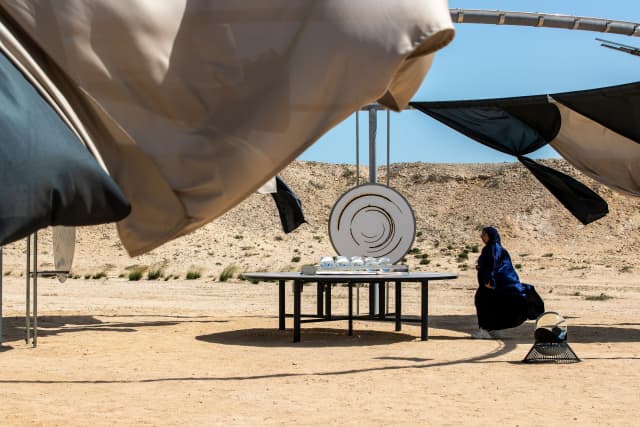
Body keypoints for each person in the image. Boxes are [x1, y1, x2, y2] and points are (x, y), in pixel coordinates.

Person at [471, 226, 545, 339]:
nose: (481, 236)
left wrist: (489, 281)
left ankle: (485, 330)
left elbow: (492, 265)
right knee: (495, 305)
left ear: (490, 236)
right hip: (498, 284)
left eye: (484, 234)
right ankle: (493, 329)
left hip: (492, 285)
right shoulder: (496, 248)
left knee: (482, 303)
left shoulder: (492, 248)